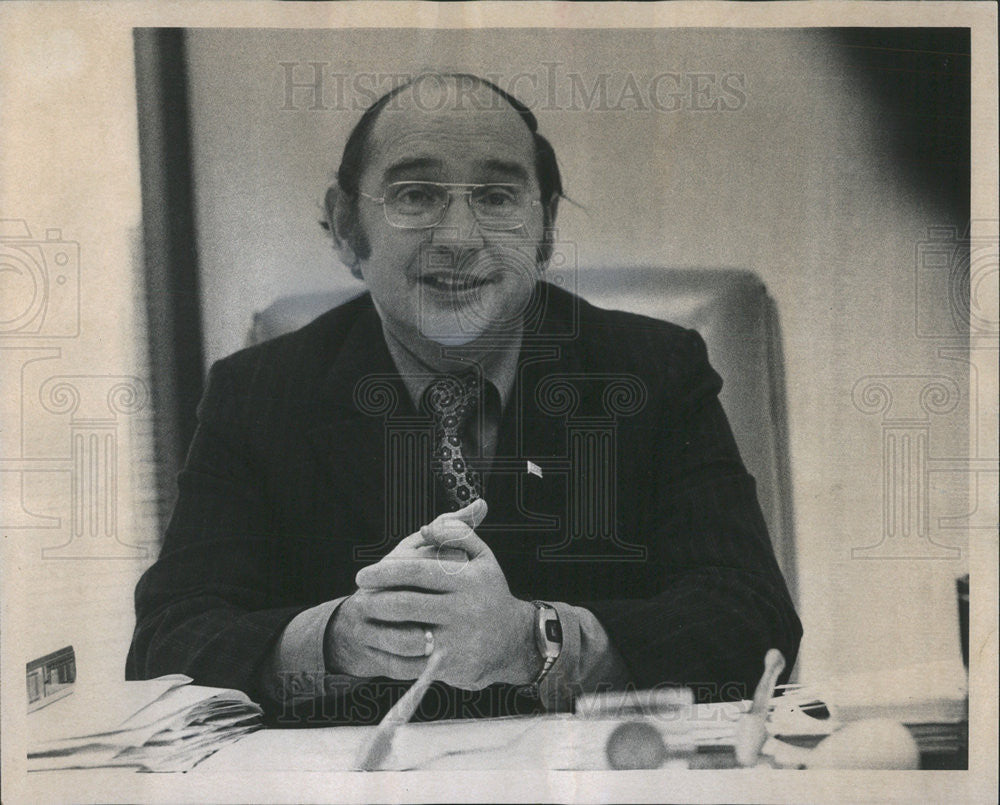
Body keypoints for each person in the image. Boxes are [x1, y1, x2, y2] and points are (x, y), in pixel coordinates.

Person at [127, 73, 801, 725]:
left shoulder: (653, 372)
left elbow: (749, 620)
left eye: (498, 197)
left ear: (545, 231)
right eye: (416, 195)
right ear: (344, 225)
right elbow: (166, 645)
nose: (459, 237)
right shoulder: (257, 394)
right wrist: (335, 640)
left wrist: (536, 641)